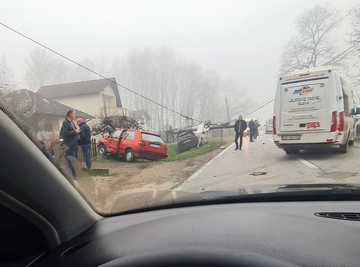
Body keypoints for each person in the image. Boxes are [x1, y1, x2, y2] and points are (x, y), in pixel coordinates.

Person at [60, 109, 81, 178]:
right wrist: (75, 132)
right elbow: (64, 134)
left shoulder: (71, 122)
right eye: (74, 114)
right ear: (70, 115)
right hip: (69, 145)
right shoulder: (65, 123)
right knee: (70, 160)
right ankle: (72, 174)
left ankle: (74, 173)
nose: (75, 115)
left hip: (74, 144)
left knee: (73, 159)